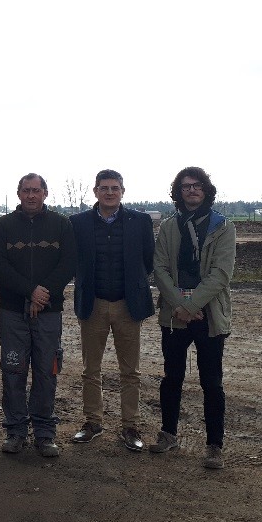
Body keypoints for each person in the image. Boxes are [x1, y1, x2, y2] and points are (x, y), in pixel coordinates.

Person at [150, 167, 235, 470]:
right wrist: (180, 305)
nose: (192, 190)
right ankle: (168, 433)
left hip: (209, 314)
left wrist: (193, 304)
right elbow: (159, 269)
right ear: (178, 191)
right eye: (185, 186)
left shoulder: (223, 227)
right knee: (172, 377)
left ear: (206, 190)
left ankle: (214, 446)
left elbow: (221, 274)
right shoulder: (169, 228)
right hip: (174, 315)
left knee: (211, 382)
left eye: (197, 185)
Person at [0, 173, 75, 457]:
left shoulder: (61, 225)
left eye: (36, 190)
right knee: (13, 371)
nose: (31, 195)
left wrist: (44, 292)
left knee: (46, 372)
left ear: (45, 194)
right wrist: (29, 291)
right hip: (13, 312)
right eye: (26, 190)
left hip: (49, 314)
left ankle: (44, 432)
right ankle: (15, 430)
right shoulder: (3, 226)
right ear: (18, 193)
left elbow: (69, 263)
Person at [70, 170, 155, 452]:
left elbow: (148, 260)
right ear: (95, 191)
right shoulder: (78, 223)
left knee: (130, 371)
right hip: (93, 305)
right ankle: (92, 422)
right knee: (90, 370)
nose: (109, 192)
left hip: (127, 306)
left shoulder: (140, 222)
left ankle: (130, 426)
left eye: (114, 188)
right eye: (104, 188)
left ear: (123, 191)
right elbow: (74, 261)